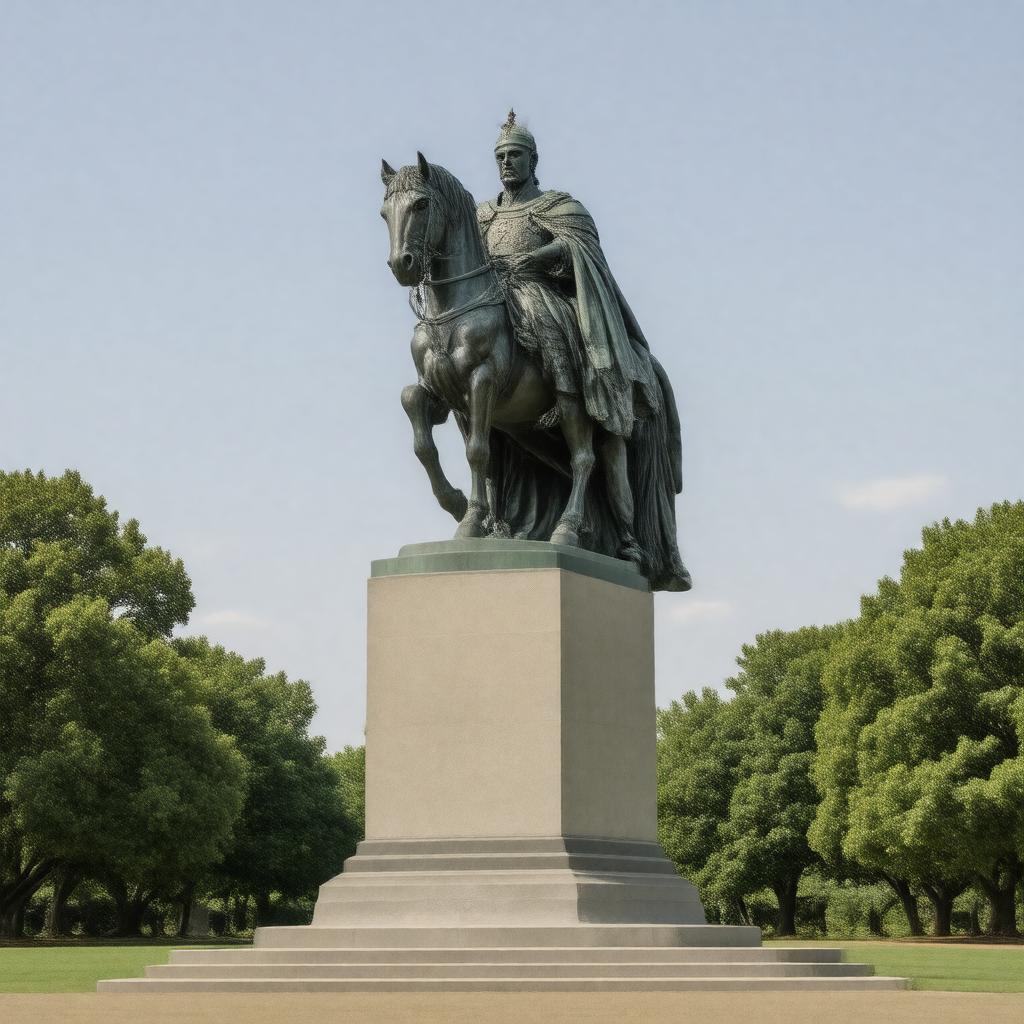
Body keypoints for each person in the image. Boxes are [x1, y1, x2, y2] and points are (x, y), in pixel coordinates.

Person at [477, 111, 691, 591]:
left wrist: (542, 255)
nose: (507, 163)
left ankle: (569, 392)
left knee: (551, 329)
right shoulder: (482, 214)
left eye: (515, 156)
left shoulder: (559, 206)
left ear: (534, 160)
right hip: (495, 304)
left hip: (543, 295)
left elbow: (584, 254)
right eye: (500, 157)